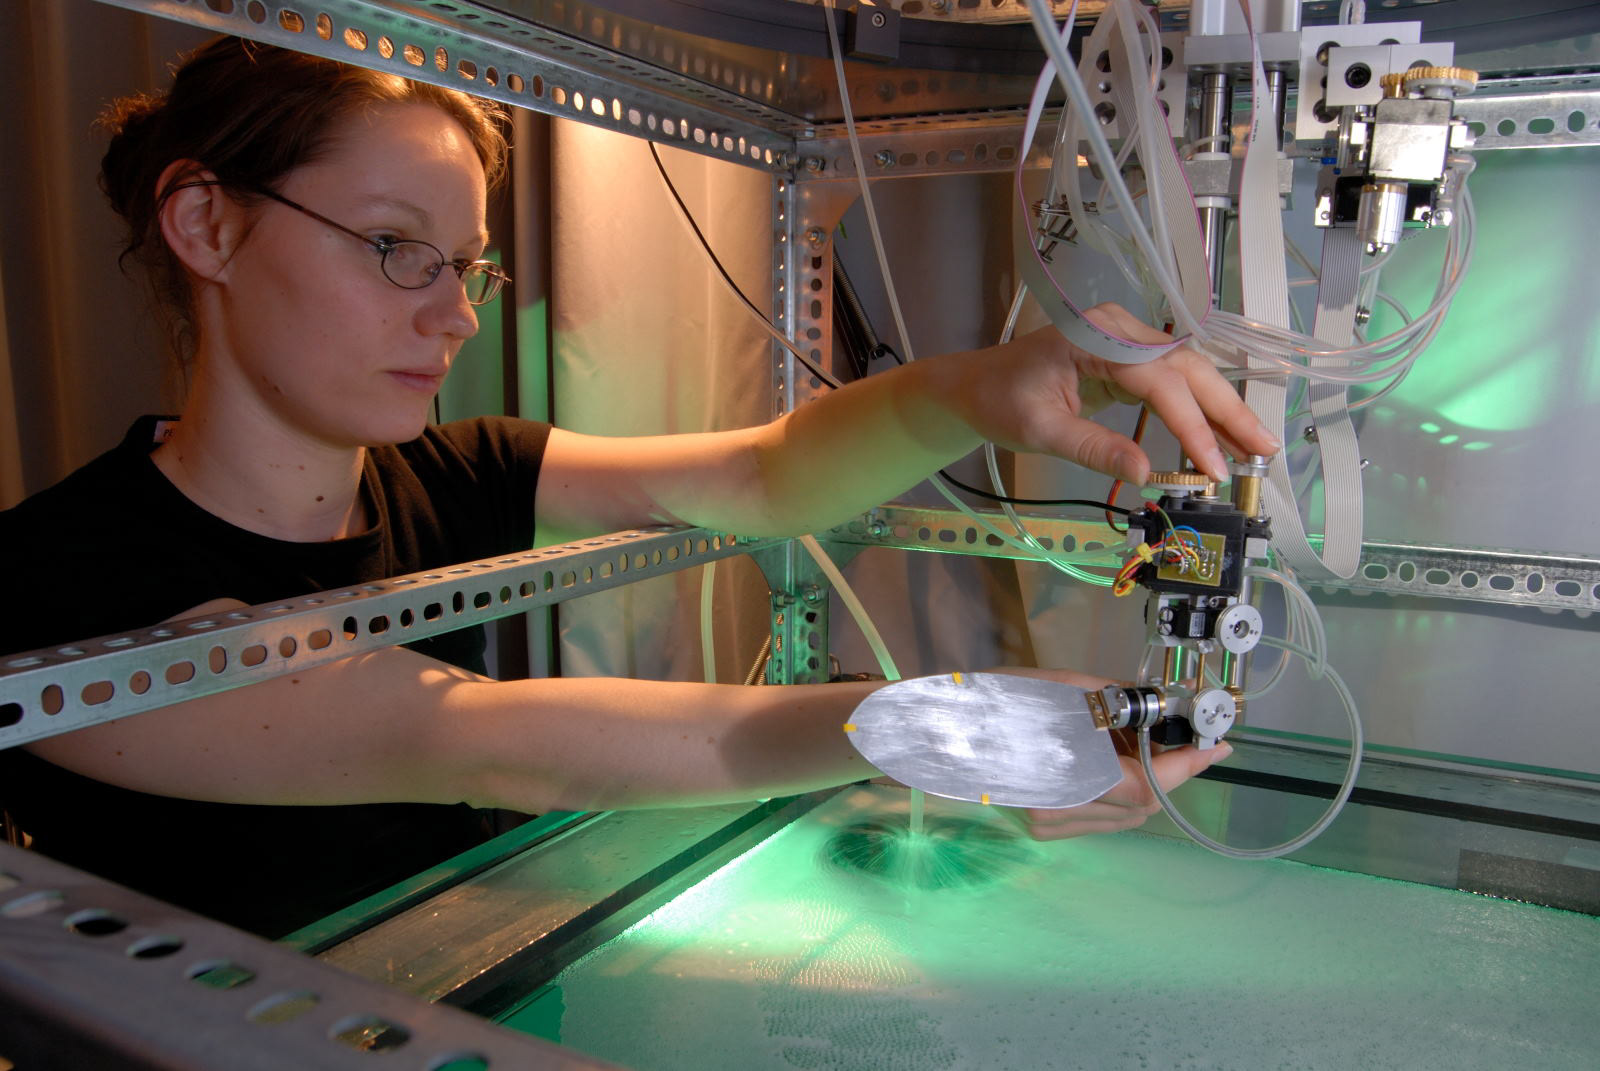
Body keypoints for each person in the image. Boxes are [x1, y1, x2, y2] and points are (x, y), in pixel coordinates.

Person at [0, 37, 1279, 938]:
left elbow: (764, 477)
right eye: (395, 248)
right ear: (207, 226)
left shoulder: (463, 468)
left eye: (467, 264)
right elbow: (482, 742)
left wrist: (985, 388)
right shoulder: (51, 584)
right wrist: (953, 731)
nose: (453, 314)